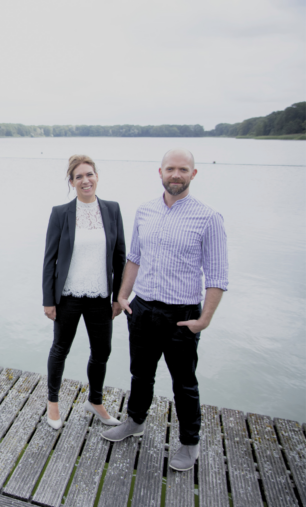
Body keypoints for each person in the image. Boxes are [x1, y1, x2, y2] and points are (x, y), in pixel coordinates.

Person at [101, 149, 228, 472]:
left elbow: (217, 275)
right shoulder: (145, 211)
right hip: (141, 310)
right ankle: (136, 421)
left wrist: (204, 320)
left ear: (193, 174)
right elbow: (134, 258)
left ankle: (189, 442)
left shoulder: (209, 217)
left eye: (183, 169)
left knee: (184, 383)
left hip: (182, 315)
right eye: (170, 169)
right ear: (159, 172)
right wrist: (122, 297)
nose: (176, 174)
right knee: (140, 374)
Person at [42, 154, 126, 430]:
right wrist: (48, 300)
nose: (85, 180)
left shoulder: (112, 210)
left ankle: (95, 401)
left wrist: (118, 297)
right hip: (67, 296)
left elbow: (119, 257)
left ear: (97, 177)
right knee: (60, 349)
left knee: (102, 351)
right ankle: (53, 403)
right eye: (79, 176)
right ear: (71, 182)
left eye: (89, 174)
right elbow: (50, 259)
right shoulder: (60, 213)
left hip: (101, 297)